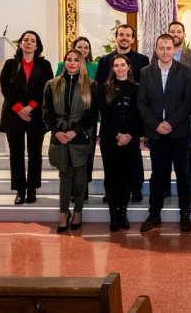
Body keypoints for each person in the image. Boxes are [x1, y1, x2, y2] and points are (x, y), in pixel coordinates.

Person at [137, 34, 191, 233]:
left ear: (174, 50)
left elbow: (188, 102)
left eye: (168, 48)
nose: (165, 51)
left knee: (183, 174)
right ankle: (154, 214)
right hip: (156, 133)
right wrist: (155, 125)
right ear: (156, 48)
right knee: (158, 175)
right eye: (161, 48)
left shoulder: (185, 71)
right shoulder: (145, 72)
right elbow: (142, 102)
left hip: (179, 132)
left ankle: (185, 213)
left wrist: (170, 122)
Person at [42, 50, 97, 233]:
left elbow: (91, 115)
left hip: (80, 135)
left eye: (76, 60)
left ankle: (78, 212)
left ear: (81, 63)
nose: (72, 63)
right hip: (59, 135)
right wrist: (56, 132)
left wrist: (75, 131)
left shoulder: (90, 85)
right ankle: (63, 213)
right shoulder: (52, 85)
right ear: (64, 62)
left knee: (80, 176)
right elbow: (47, 113)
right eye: (69, 60)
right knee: (64, 176)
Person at [95, 24, 150, 203]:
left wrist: (137, 130)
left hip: (132, 120)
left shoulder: (142, 60)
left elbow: (143, 95)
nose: (124, 38)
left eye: (128, 35)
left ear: (133, 39)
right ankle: (111, 190)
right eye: (121, 34)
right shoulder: (104, 61)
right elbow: (101, 90)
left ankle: (136, 188)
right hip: (111, 120)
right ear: (116, 37)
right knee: (111, 160)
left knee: (134, 159)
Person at [0, 30, 54, 205]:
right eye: (25, 40)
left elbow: (47, 88)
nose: (29, 43)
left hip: (36, 114)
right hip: (13, 114)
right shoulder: (10, 64)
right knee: (16, 154)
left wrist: (30, 106)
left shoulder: (44, 65)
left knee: (35, 153)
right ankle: (20, 190)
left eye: (32, 40)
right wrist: (19, 108)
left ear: (37, 45)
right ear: (20, 43)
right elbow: (5, 87)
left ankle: (32, 189)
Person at [153, 21, 191, 203]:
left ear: (183, 34)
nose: (175, 33)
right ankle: (164, 186)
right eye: (172, 30)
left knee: (186, 156)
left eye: (179, 31)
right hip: (162, 117)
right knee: (163, 156)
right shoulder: (158, 53)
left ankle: (188, 189)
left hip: (184, 115)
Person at [98, 54, 143, 232]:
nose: (119, 68)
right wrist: (117, 134)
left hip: (130, 140)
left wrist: (129, 134)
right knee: (111, 177)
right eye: (116, 65)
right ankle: (113, 215)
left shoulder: (137, 88)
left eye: (122, 64)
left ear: (129, 67)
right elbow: (105, 115)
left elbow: (139, 115)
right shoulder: (103, 89)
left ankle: (123, 213)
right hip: (110, 139)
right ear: (112, 69)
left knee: (126, 177)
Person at [56, 36, 99, 200]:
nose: (83, 50)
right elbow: (56, 88)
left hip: (87, 118)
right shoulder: (62, 65)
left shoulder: (95, 65)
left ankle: (84, 188)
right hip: (67, 118)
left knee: (87, 155)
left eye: (86, 47)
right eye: (79, 46)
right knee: (68, 156)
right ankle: (71, 189)